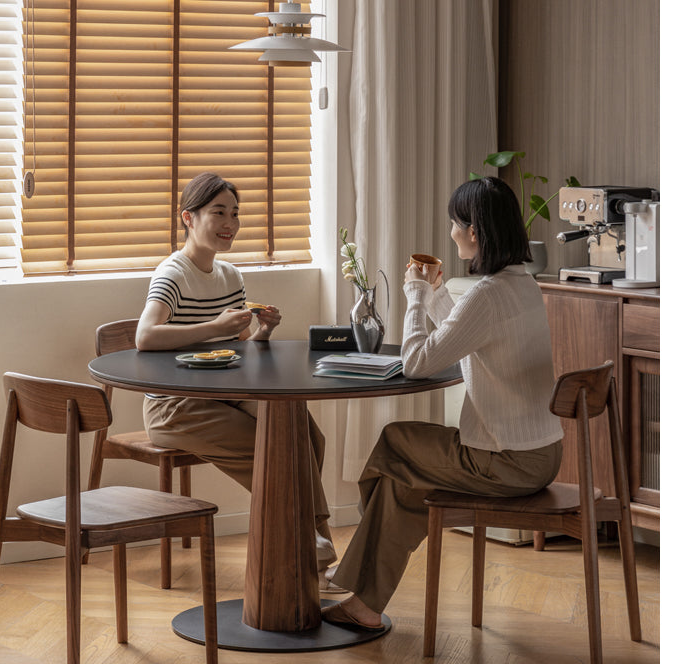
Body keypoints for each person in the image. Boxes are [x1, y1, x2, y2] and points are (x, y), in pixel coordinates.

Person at [322, 176, 564, 631]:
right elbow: (466, 335)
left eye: (455, 223)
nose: (452, 232)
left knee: (395, 442)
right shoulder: (520, 286)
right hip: (541, 455)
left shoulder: (488, 295)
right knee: (403, 483)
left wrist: (415, 295)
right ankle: (364, 606)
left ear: (474, 232)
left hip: (504, 461)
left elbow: (416, 362)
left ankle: (358, 556)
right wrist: (435, 298)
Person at [137, 172, 338, 581]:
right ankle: (308, 542)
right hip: (175, 407)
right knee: (273, 449)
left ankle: (310, 540)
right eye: (217, 212)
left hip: (224, 391)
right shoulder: (173, 274)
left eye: (234, 213)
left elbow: (239, 347)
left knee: (304, 432)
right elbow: (145, 336)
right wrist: (213, 326)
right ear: (188, 218)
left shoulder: (230, 276)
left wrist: (263, 332)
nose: (229, 222)